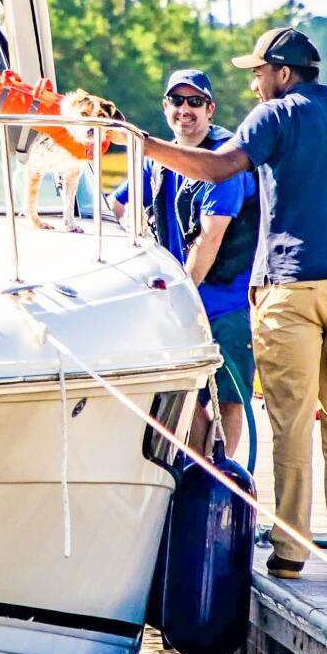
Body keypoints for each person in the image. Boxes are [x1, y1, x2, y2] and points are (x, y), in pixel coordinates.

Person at [118, 27, 327, 580]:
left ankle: (291, 551)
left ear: (283, 72)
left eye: (257, 72)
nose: (252, 83)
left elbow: (217, 168)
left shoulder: (274, 117)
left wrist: (143, 144)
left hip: (287, 291)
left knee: (290, 419)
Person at [110, 69, 259, 454]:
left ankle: (220, 473)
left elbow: (210, 239)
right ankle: (200, 464)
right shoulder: (158, 159)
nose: (185, 110)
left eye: (195, 102)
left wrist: (182, 298)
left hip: (226, 302)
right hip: (177, 299)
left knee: (229, 396)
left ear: (210, 109)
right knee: (179, 391)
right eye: (177, 101)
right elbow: (117, 204)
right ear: (165, 107)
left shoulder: (222, 162)